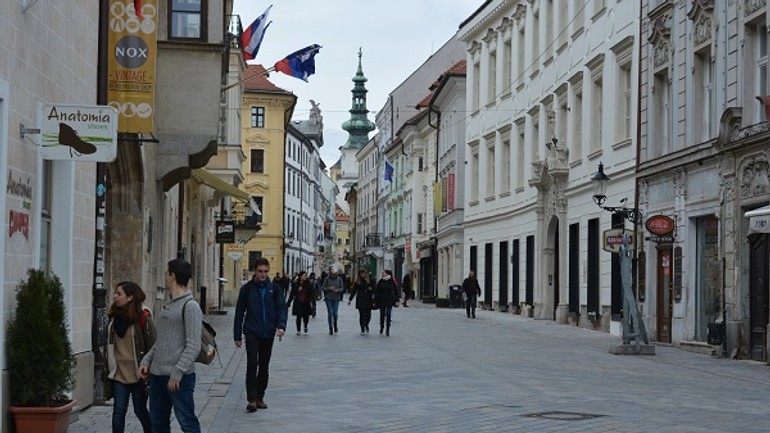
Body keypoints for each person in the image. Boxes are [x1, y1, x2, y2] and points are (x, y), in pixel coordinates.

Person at [138, 259, 202, 433]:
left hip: (179, 379)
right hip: (158, 376)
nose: (165, 277)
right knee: (158, 425)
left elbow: (193, 346)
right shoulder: (168, 305)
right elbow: (162, 341)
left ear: (172, 276)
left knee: (187, 423)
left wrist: (177, 372)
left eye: (167, 273)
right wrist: (146, 360)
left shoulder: (191, 306)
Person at [234, 257, 288, 412]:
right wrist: (237, 335)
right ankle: (251, 399)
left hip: (268, 332)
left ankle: (260, 396)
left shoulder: (274, 288)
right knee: (252, 364)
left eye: (265, 271)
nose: (263, 274)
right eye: (260, 271)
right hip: (251, 331)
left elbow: (282, 308)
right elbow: (239, 312)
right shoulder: (247, 289)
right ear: (255, 271)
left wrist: (281, 326)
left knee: (264, 366)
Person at [105, 281, 156, 433]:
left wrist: (148, 369)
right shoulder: (113, 317)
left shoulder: (143, 318)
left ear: (130, 298)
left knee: (140, 411)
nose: (115, 296)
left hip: (138, 374)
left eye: (119, 294)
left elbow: (153, 345)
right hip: (119, 373)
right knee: (119, 411)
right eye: (115, 293)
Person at [348, 269, 374, 334]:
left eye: (363, 273)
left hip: (368, 299)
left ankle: (366, 324)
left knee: (368, 316)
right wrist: (350, 299)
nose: (362, 275)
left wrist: (371, 289)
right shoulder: (358, 282)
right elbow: (354, 290)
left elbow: (375, 289)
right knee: (362, 315)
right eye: (361, 274)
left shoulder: (370, 280)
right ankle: (362, 328)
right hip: (360, 299)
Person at [374, 270, 399, 336]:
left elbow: (396, 291)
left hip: (389, 300)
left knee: (388, 314)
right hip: (381, 300)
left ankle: (387, 329)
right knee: (382, 315)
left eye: (383, 273)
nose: (382, 274)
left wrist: (397, 300)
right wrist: (375, 301)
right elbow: (377, 292)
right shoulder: (380, 282)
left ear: (387, 274)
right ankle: (382, 327)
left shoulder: (392, 282)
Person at [322, 266, 344, 334]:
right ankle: (330, 327)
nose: (333, 271)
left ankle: (335, 324)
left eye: (334, 269)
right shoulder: (327, 279)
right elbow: (323, 288)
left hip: (336, 298)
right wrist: (329, 288)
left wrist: (337, 290)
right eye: (331, 269)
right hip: (328, 298)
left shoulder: (339, 279)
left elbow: (342, 288)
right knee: (330, 313)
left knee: (335, 313)